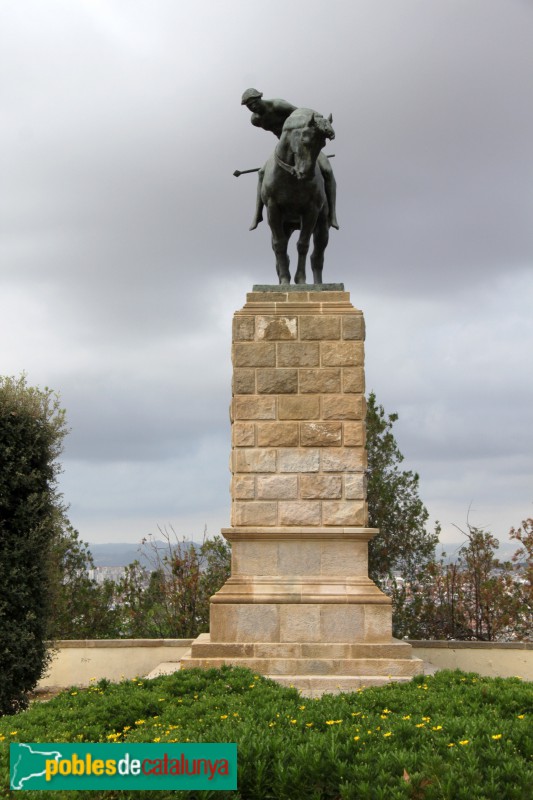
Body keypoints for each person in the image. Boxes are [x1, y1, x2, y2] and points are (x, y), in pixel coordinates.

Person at [241, 88, 339, 231]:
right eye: (249, 106)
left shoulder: (278, 105)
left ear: (260, 98)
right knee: (262, 173)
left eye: (254, 102)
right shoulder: (256, 120)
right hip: (283, 145)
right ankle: (257, 214)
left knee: (327, 169)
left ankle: (333, 215)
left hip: (302, 142)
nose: (253, 107)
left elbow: (301, 115)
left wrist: (318, 124)